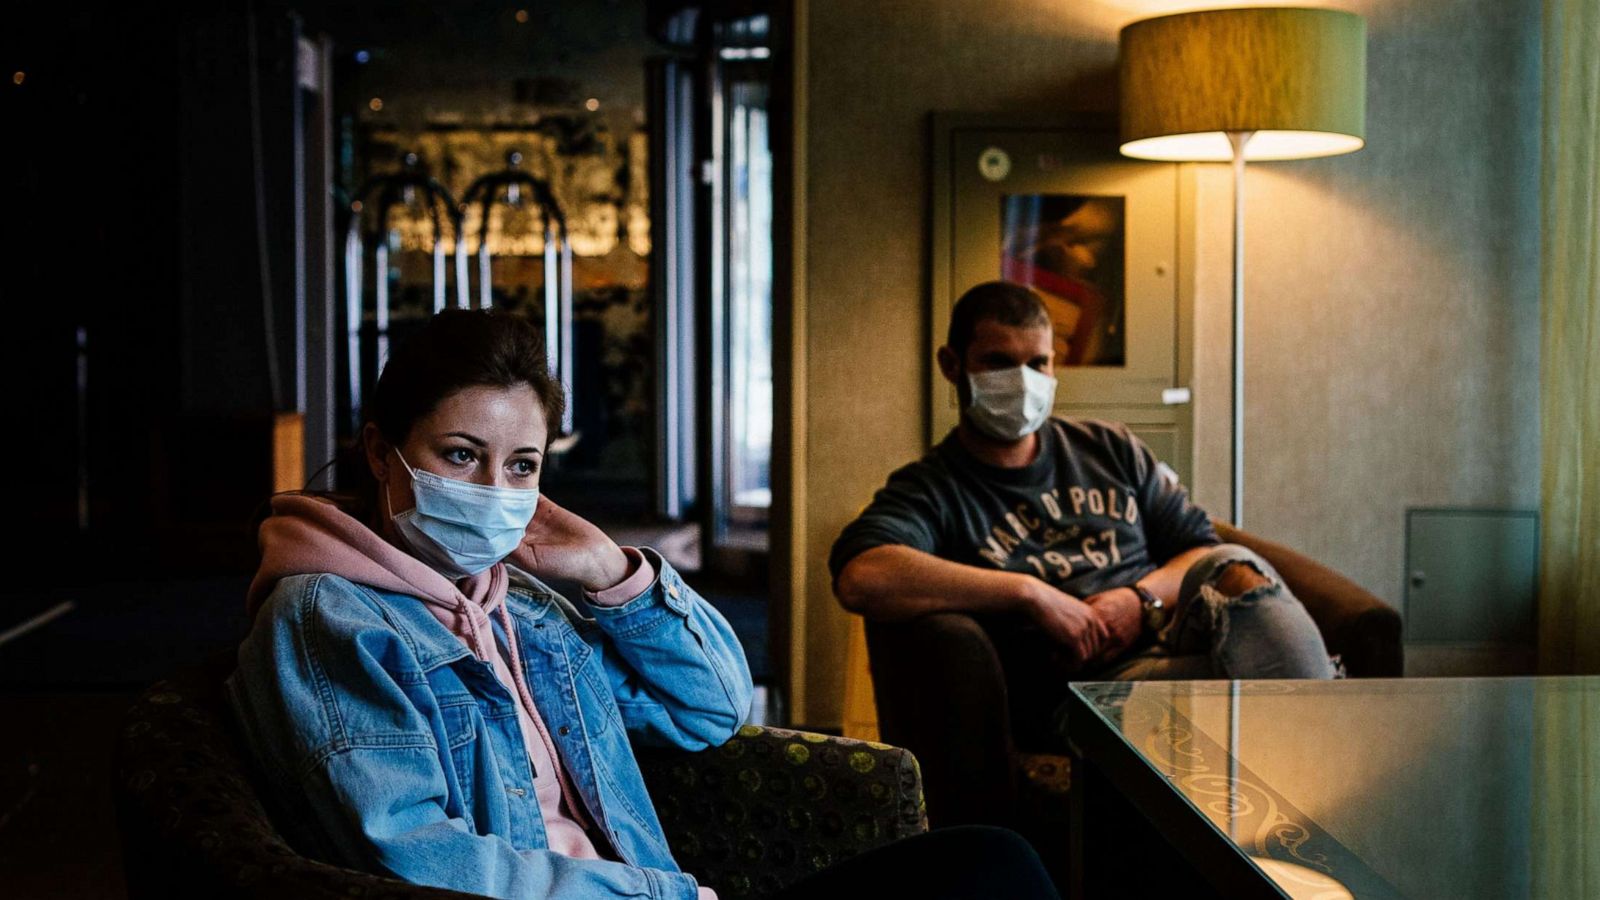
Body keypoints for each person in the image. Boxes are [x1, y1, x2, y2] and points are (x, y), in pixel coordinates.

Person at [229, 309, 1060, 900]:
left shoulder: (519, 605)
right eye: (460, 455)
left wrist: (612, 573)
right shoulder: (327, 618)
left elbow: (712, 708)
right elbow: (413, 855)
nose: (495, 489)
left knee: (992, 862)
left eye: (521, 465)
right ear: (381, 451)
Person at [831, 281, 1336, 750]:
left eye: (1038, 363)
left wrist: (1139, 601)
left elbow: (1198, 550)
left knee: (1232, 564)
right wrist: (1030, 593)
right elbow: (862, 577)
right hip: (1084, 689)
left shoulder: (1110, 447)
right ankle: (1317, 729)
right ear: (951, 365)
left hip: (1172, 636)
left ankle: (1318, 729)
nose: (1023, 381)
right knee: (1266, 691)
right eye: (998, 362)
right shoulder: (934, 488)